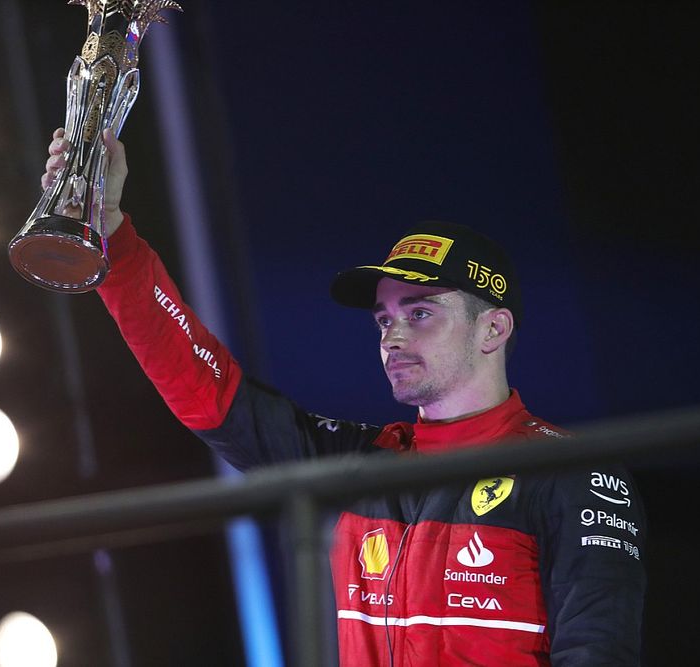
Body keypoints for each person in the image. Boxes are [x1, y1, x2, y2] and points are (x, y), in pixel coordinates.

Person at [42, 128, 647, 665]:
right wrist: (111, 235)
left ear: (494, 329)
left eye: (421, 313)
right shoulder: (355, 466)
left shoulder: (573, 473)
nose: (394, 335)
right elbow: (208, 391)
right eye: (384, 320)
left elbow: (598, 649)